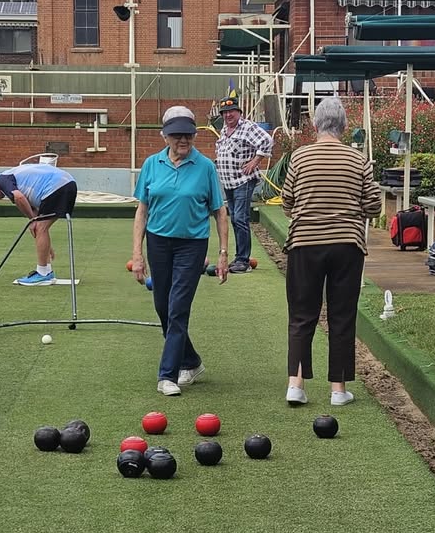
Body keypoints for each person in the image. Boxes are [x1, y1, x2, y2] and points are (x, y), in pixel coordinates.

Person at [281, 96, 381, 407]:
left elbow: (287, 201)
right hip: (347, 245)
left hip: (304, 244)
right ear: (344, 127)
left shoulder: (299, 157)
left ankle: (296, 385)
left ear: (315, 125)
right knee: (342, 316)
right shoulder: (358, 160)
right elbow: (374, 205)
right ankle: (338, 389)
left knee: (301, 315)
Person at [132, 105, 229, 396]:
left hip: (192, 245)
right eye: (176, 135)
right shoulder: (152, 164)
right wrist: (137, 253)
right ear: (165, 136)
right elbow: (142, 210)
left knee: (177, 308)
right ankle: (191, 361)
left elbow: (219, 211)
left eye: (188, 134)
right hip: (158, 242)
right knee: (163, 307)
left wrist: (223, 253)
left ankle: (168, 375)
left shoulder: (205, 167)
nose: (183, 140)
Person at [0, 163, 77, 285]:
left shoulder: (2, 181)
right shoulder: (13, 181)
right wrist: (45, 245)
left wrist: (32, 220)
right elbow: (34, 214)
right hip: (66, 183)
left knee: (40, 227)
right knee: (40, 228)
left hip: (57, 186)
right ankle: (46, 271)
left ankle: (43, 274)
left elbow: (19, 198)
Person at [215, 96, 273, 273]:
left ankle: (243, 261)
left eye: (231, 111)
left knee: (240, 218)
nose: (228, 115)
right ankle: (240, 257)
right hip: (228, 181)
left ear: (239, 112)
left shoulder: (247, 127)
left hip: (243, 180)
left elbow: (267, 140)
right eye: (225, 112)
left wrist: (255, 161)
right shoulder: (225, 130)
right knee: (235, 218)